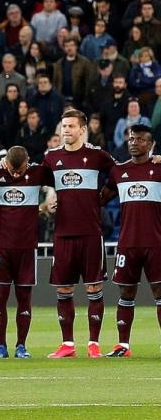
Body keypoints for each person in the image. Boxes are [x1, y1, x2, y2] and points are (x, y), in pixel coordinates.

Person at [42, 108, 116, 359]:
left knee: (94, 288)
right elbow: (36, 180)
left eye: (71, 127)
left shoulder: (97, 156)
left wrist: (102, 198)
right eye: (63, 126)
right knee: (63, 290)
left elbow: (119, 175)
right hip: (63, 233)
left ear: (82, 130)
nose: (66, 131)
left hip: (91, 233)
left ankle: (94, 343)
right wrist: (49, 202)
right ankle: (67, 344)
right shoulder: (51, 158)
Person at [0, 146, 54, 359]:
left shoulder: (38, 172)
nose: (15, 174)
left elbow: (64, 180)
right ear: (5, 161)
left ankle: (21, 345)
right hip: (1, 248)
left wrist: (44, 206)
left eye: (20, 170)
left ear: (28, 162)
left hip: (27, 248)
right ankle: (1, 346)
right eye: (12, 170)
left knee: (24, 297)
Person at [102, 125, 161, 357]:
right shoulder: (119, 171)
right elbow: (101, 198)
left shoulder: (158, 169)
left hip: (156, 242)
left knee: (159, 292)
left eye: (140, 139)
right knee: (126, 293)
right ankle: (123, 345)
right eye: (131, 139)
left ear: (150, 144)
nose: (134, 142)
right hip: (127, 242)